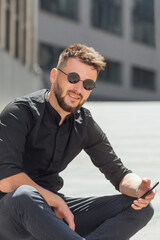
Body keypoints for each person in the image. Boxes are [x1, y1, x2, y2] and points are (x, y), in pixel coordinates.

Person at [0, 44, 155, 240]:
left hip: (53, 214)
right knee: (24, 195)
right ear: (54, 75)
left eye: (88, 84)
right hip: (10, 216)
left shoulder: (84, 123)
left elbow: (118, 172)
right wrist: (55, 200)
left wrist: (139, 188)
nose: (78, 89)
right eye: (73, 78)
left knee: (140, 208)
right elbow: (7, 180)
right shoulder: (20, 112)